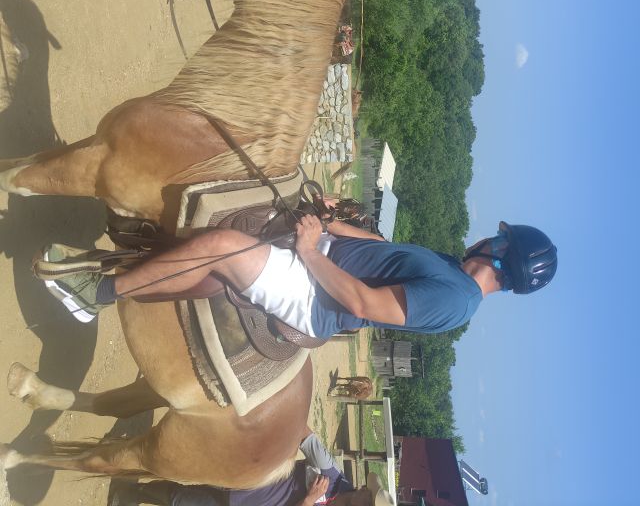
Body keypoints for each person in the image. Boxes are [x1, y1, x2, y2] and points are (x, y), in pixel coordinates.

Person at [35, 213, 557, 336]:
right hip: (321, 253)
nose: (488, 237)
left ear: (502, 250)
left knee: (220, 245)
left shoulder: (458, 302)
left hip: (312, 297)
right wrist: (329, 220)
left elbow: (363, 304)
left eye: (498, 237)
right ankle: (133, 240)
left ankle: (96, 293)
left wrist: (309, 250)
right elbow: (381, 247)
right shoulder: (449, 265)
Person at [108, 426, 393, 506]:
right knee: (187, 465)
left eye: (369, 503)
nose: (366, 499)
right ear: (363, 491)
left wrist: (307, 500)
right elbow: (302, 433)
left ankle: (136, 494)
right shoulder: (330, 473)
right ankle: (134, 459)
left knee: (182, 500)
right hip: (244, 479)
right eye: (369, 496)